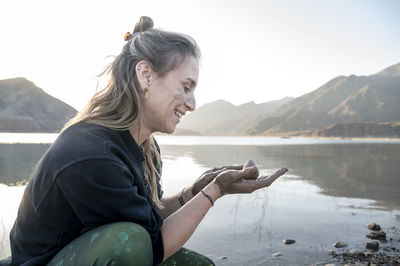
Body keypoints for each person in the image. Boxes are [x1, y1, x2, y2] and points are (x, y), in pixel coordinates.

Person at [1, 16, 288, 266]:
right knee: (131, 241)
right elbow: (151, 246)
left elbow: (148, 216)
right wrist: (214, 191)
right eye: (186, 87)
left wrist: (194, 190)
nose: (192, 104)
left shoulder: (144, 146)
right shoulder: (91, 152)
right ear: (145, 75)